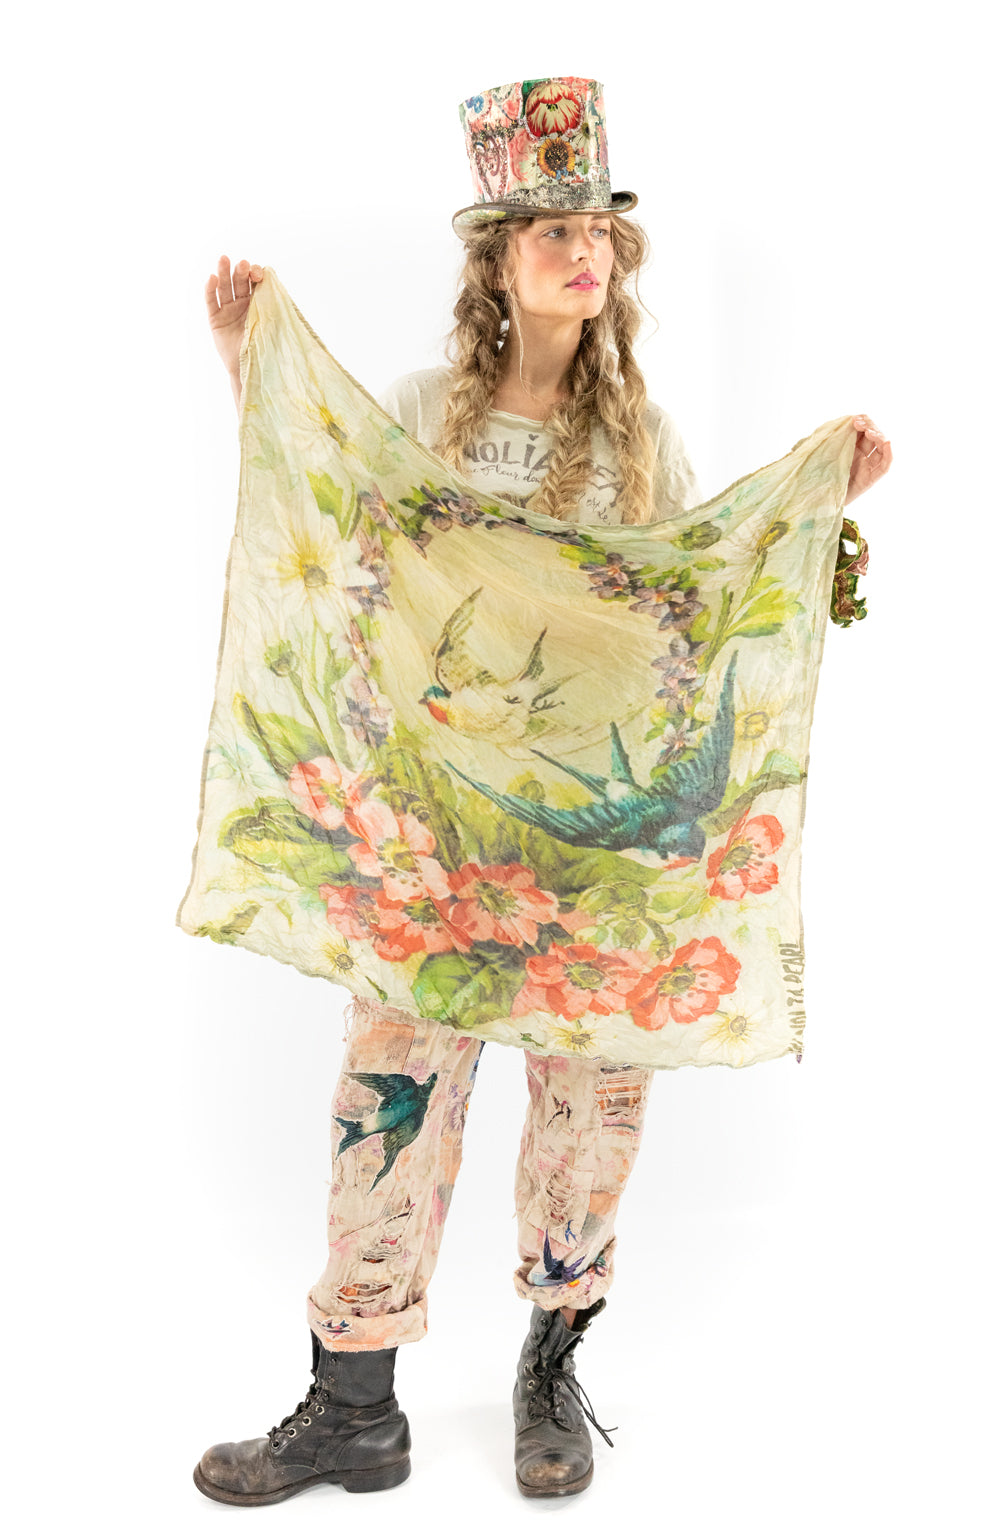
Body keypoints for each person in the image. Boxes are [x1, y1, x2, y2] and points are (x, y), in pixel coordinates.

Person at [194, 77, 892, 1507]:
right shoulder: (419, 418)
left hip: (589, 862)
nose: (585, 252)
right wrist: (248, 370)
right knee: (387, 1101)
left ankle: (550, 1372)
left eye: (599, 232)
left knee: (590, 1109)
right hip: (434, 847)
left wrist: (818, 516)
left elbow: (694, 615)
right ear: (497, 262)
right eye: (553, 231)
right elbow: (337, 524)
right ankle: (353, 1407)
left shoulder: (644, 448)